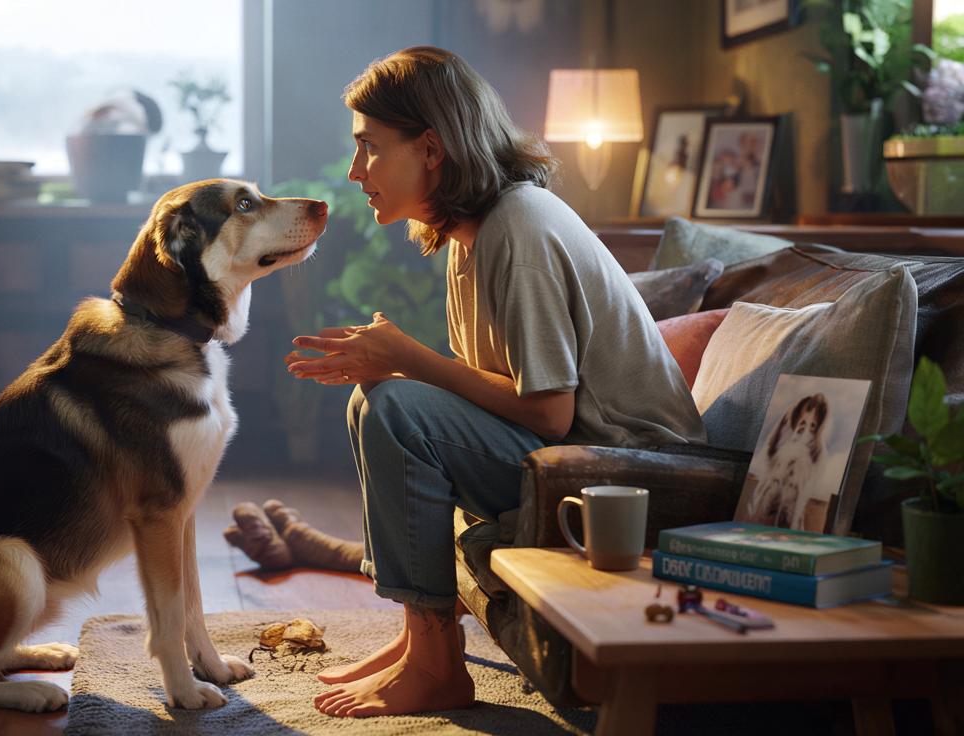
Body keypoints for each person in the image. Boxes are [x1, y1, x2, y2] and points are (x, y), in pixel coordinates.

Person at [284, 46, 706, 718]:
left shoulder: (520, 228)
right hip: (572, 456)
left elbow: (550, 413)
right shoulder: (468, 236)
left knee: (396, 409)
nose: (355, 170)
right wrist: (397, 364)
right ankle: (421, 644)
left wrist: (410, 360)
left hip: (630, 476)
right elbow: (495, 391)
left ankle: (436, 669)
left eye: (369, 147)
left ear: (431, 149)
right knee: (378, 401)